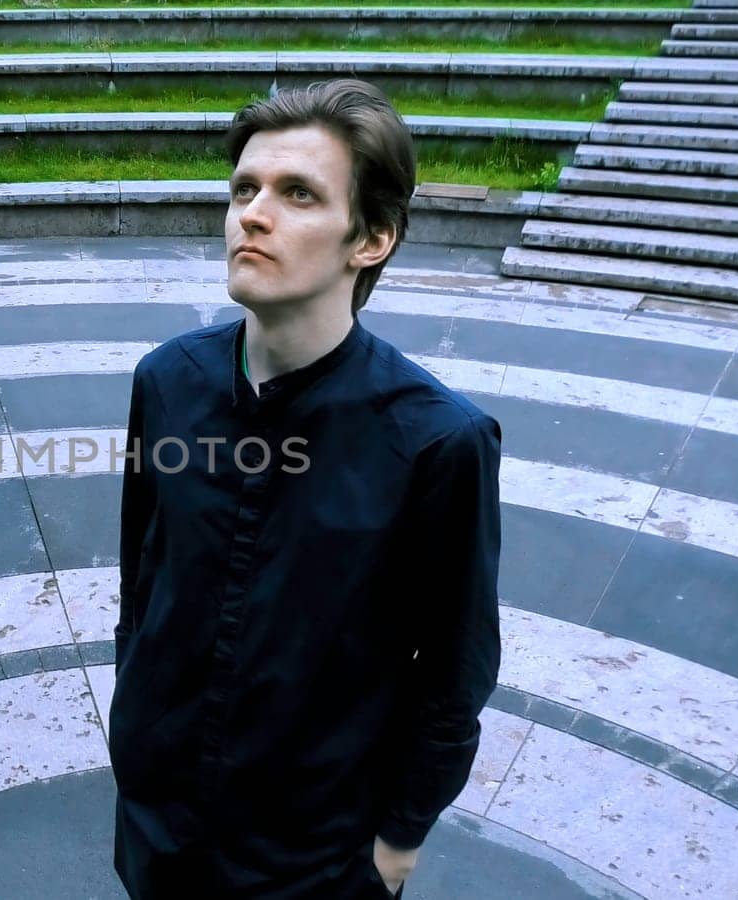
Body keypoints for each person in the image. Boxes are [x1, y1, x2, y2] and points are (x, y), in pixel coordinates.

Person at [108, 78, 503, 899]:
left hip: (313, 856)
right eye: (244, 189)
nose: (252, 214)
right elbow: (142, 580)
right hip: (159, 822)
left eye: (297, 194)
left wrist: (399, 839)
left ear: (373, 239)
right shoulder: (167, 382)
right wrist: (136, 729)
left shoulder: (437, 443)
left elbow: (455, 671)